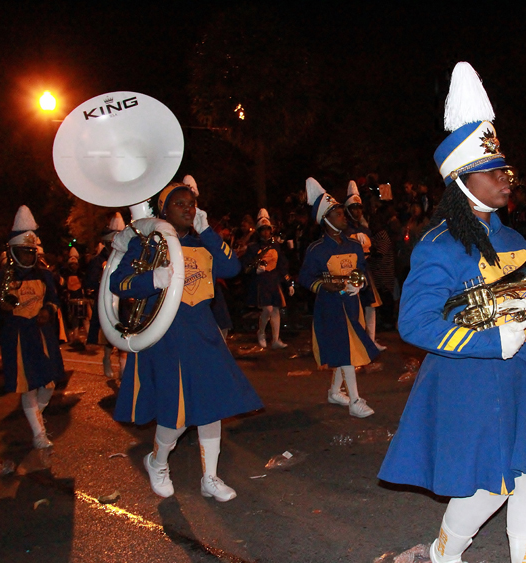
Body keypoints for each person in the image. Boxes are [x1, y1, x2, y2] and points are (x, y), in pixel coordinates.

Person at [378, 62, 526, 563]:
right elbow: (415, 322)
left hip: (520, 372)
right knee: (488, 486)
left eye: (505, 170)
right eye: (492, 171)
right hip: (466, 376)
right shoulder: (439, 245)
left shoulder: (515, 236)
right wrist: (493, 339)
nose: (505, 179)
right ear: (461, 179)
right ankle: (446, 552)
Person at [110, 179, 263, 501]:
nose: (187, 208)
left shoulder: (202, 242)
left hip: (203, 333)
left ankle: (210, 476)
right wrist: (152, 279)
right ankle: (158, 461)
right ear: (164, 210)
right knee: (176, 409)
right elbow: (118, 283)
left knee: (212, 406)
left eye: (191, 203)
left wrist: (208, 232)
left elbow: (232, 267)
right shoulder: (149, 245)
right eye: (179, 203)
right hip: (166, 337)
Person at [0, 206, 64, 448]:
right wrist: (0, 310)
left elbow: (54, 300)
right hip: (17, 336)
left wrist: (48, 310)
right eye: (23, 253)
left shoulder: (44, 275)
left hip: (42, 335)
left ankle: (37, 418)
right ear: (14, 252)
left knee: (49, 383)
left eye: (31, 252)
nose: (28, 257)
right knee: (27, 385)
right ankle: (38, 433)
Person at [298, 177, 378, 419]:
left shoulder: (354, 246)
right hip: (331, 307)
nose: (344, 217)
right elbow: (305, 278)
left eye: (344, 213)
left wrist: (360, 284)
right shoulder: (316, 250)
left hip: (352, 305)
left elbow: (361, 270)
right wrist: (324, 286)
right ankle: (355, 400)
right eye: (339, 214)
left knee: (348, 348)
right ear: (325, 219)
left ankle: (335, 392)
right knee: (347, 349)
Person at [343, 180, 385, 350]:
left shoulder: (365, 228)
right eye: (353, 208)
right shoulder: (344, 229)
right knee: (354, 307)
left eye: (359, 208)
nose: (357, 211)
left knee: (371, 305)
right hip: (349, 271)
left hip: (364, 269)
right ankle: (356, 342)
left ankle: (371, 340)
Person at [86, 212, 127, 379]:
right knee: (109, 336)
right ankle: (106, 358)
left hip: (124, 301)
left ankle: (124, 373)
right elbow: (90, 282)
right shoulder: (97, 261)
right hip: (106, 300)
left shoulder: (128, 258)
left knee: (125, 336)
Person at [245, 208, 291, 349]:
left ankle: (276, 339)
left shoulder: (275, 246)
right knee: (268, 309)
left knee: (276, 310)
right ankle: (261, 332)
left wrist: (288, 282)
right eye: (263, 229)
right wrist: (255, 269)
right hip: (261, 282)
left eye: (268, 229)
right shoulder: (253, 248)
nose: (266, 232)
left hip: (274, 281)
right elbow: (245, 266)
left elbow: (282, 264)